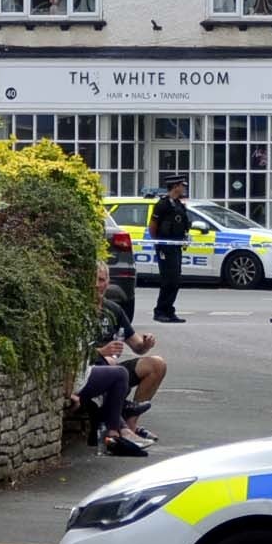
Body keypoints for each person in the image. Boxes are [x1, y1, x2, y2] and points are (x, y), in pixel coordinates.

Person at [92, 266, 167, 417]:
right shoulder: (77, 310)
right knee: (113, 369)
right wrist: (100, 352)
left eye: (101, 280)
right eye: (93, 280)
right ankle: (118, 425)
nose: (97, 285)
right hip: (89, 369)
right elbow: (70, 354)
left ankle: (131, 422)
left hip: (114, 368)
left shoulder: (113, 309)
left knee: (157, 364)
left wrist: (146, 343)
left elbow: (137, 346)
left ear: (108, 282)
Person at [148, 174, 190, 323]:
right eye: (182, 185)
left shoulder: (179, 204)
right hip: (165, 247)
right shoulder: (162, 204)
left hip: (176, 246)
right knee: (168, 279)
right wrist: (158, 244)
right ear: (175, 186)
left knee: (176, 279)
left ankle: (169, 310)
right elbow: (153, 226)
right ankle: (160, 311)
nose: (184, 188)